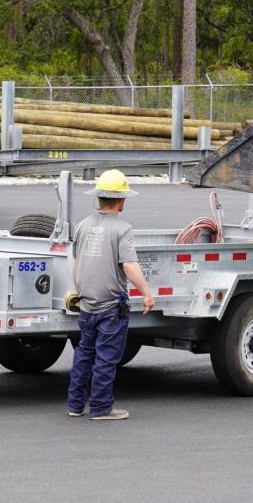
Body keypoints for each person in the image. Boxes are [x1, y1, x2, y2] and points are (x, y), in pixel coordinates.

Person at [67, 169, 154, 420]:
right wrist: (146, 293)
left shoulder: (82, 225)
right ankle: (101, 407)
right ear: (121, 199)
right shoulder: (123, 229)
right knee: (106, 358)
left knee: (84, 354)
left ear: (99, 198)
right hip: (110, 307)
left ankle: (75, 405)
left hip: (86, 305)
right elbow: (128, 265)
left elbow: (76, 263)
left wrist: (80, 290)